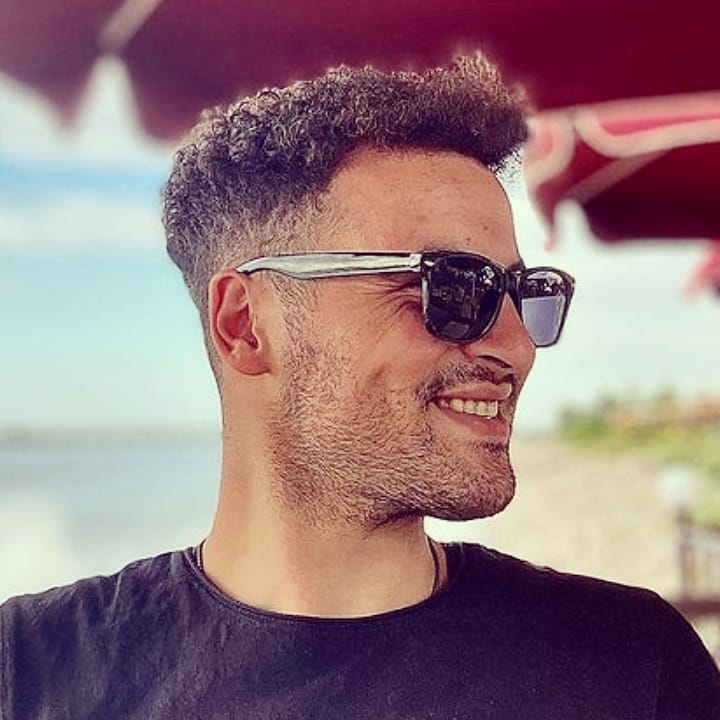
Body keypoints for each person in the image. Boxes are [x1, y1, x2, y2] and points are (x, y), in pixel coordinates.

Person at [1, 55, 719, 720]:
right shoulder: (30, 671)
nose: (514, 345)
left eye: (522, 293)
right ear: (245, 325)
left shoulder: (632, 665)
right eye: (452, 288)